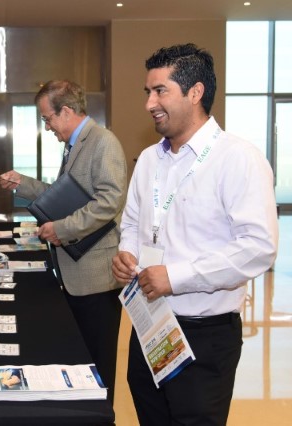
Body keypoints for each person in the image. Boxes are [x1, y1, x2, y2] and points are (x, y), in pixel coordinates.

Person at [112, 44, 278, 425]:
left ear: (195, 92)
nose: (149, 103)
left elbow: (258, 247)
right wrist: (127, 253)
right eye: (148, 92)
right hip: (150, 324)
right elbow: (133, 222)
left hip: (204, 336)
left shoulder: (237, 158)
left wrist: (175, 277)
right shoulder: (149, 159)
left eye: (160, 91)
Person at [0, 80, 127, 403]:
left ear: (66, 111)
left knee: (98, 364)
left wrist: (63, 229)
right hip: (74, 274)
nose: (47, 127)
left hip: (96, 278)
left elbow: (109, 202)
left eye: (48, 118)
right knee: (82, 364)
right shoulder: (75, 145)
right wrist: (22, 183)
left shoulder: (103, 142)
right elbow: (61, 197)